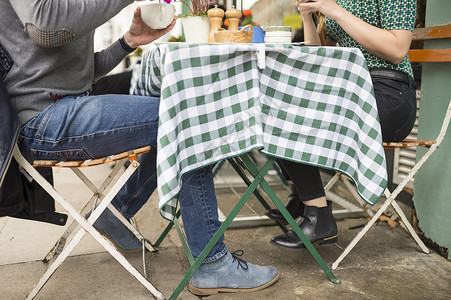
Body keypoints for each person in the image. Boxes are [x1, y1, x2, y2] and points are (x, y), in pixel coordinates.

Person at [0, 0, 278, 296]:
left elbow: (76, 75)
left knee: (172, 117)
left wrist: (127, 42)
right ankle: (212, 264)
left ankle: (116, 212)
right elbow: (45, 26)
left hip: (64, 108)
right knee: (184, 118)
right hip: (43, 121)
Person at [267, 0, 417, 250]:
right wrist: (307, 17)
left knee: (293, 115)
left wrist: (334, 10)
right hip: (349, 91)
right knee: (277, 107)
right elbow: (319, 56)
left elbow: (397, 49)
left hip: (390, 94)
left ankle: (316, 214)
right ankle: (306, 199)